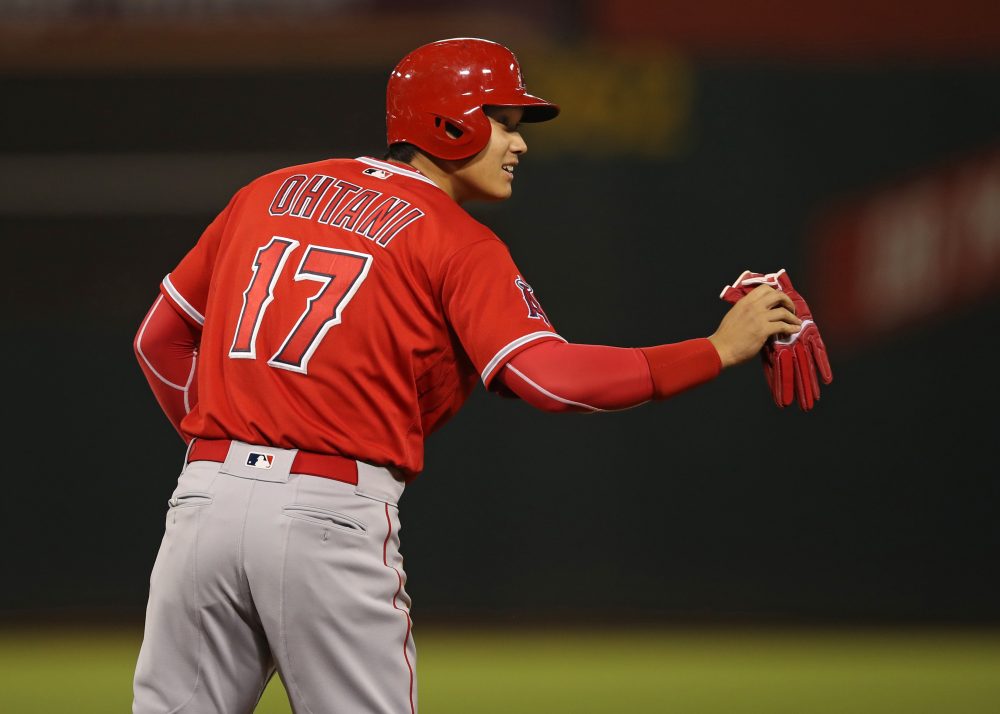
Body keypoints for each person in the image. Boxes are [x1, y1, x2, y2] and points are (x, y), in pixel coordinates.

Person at [131, 37, 803, 714]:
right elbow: (546, 378)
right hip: (326, 515)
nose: (520, 145)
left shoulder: (267, 192)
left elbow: (158, 341)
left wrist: (234, 457)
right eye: (505, 123)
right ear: (452, 123)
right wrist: (716, 349)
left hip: (204, 501)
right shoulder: (456, 239)